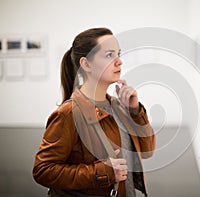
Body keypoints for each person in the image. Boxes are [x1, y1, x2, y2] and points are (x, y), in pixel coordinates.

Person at [33, 27, 156, 197]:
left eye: (118, 54)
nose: (119, 61)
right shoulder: (68, 113)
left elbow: (147, 150)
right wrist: (102, 172)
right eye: (109, 55)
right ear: (86, 64)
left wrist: (135, 111)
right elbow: (43, 170)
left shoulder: (118, 106)